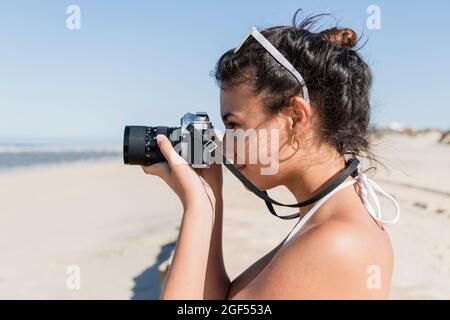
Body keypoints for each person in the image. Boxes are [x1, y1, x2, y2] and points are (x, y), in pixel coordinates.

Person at [142, 11, 400, 300]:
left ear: (295, 117)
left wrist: (198, 211)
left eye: (234, 125)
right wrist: (210, 197)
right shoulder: (326, 221)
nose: (226, 146)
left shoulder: (339, 244)